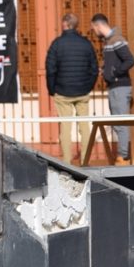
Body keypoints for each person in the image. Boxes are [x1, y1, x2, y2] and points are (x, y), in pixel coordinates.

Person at [45, 12, 98, 165]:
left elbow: (50, 69)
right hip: (82, 91)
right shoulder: (86, 44)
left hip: (62, 92)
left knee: (65, 128)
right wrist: (88, 86)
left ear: (64, 24)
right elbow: (94, 68)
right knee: (84, 126)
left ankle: (67, 161)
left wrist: (51, 89)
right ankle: (85, 160)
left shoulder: (57, 44)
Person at [91, 13, 134, 163]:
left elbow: (130, 60)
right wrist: (105, 69)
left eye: (94, 28)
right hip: (114, 86)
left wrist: (114, 72)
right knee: (117, 122)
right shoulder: (109, 41)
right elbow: (116, 62)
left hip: (120, 87)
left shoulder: (117, 40)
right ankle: (123, 156)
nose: (94, 32)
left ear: (98, 25)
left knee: (121, 122)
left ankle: (124, 156)